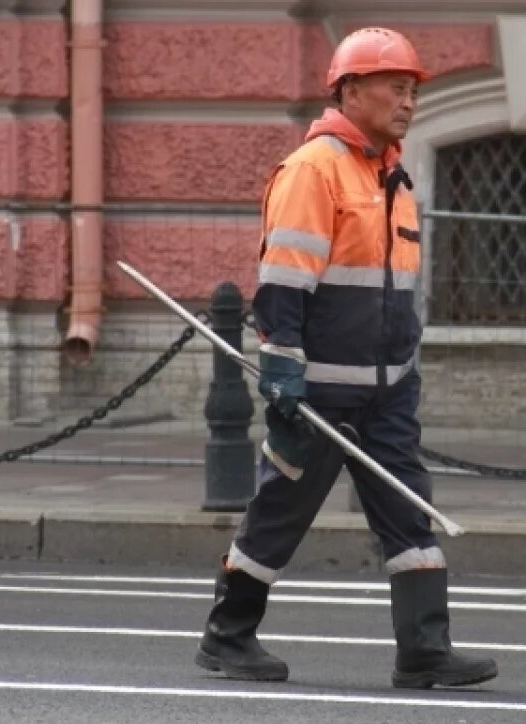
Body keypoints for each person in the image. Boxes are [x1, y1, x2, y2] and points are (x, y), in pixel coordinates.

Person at [194, 27, 499, 690]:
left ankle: (423, 650)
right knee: (279, 515)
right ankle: (226, 636)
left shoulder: (392, 177)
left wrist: (404, 371)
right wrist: (282, 370)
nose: (408, 102)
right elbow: (283, 282)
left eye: (413, 90)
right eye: (396, 87)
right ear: (351, 90)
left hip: (388, 393)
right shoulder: (315, 170)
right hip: (318, 392)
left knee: (409, 515)